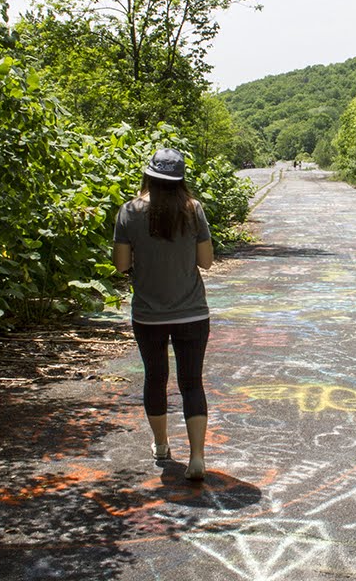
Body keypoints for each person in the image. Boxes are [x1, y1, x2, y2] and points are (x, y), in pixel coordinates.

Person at [113, 148, 215, 482]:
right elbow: (206, 261)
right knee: (191, 382)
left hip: (148, 314)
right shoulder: (193, 210)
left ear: (148, 175)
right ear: (180, 179)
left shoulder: (128, 212)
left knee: (156, 378)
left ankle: (161, 445)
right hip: (192, 313)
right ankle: (197, 457)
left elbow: (121, 265)